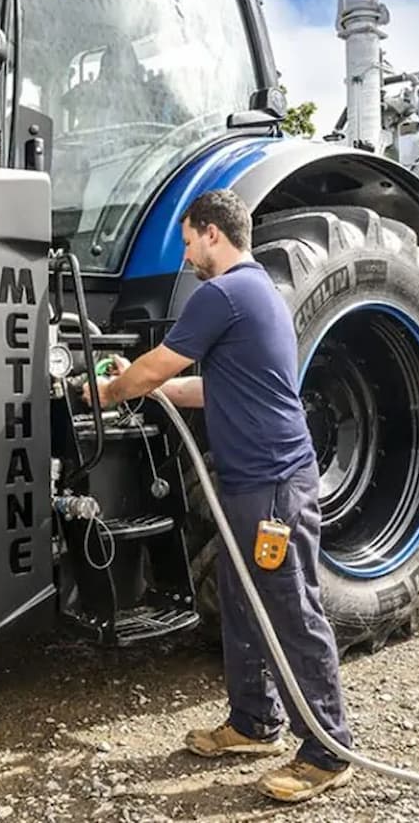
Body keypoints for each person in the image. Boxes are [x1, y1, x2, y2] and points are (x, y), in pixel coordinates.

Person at [82, 188, 355, 803]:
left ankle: (327, 750)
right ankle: (255, 723)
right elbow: (210, 388)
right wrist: (148, 390)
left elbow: (154, 367)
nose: (186, 256)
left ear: (212, 234)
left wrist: (103, 391)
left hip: (272, 490)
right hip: (251, 484)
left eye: (187, 241)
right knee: (241, 600)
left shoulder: (224, 293)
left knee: (290, 610)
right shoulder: (259, 295)